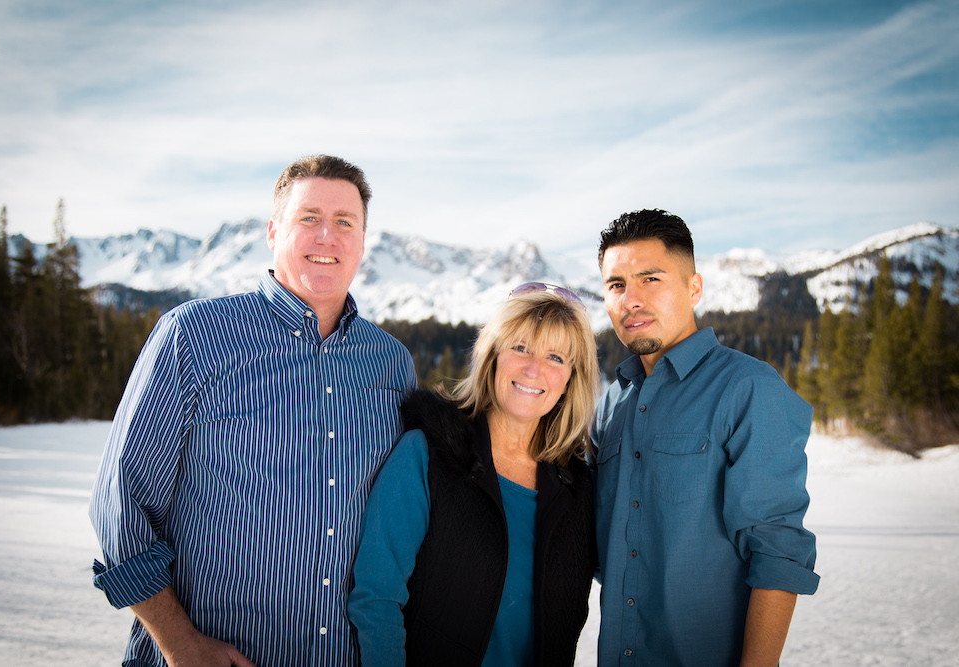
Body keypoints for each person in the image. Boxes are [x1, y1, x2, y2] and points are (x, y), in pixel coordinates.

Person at [89, 154, 417, 667]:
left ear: (362, 241)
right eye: (308, 218)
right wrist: (181, 645)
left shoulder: (391, 365)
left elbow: (401, 528)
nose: (327, 237)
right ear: (272, 231)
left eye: (344, 222)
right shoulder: (195, 337)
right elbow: (119, 509)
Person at [592, 209, 820, 666]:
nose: (630, 299)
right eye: (617, 285)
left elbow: (776, 550)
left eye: (650, 279)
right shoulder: (610, 403)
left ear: (693, 288)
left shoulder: (748, 388)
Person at [347, 283, 600, 666]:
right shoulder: (428, 454)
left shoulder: (577, 489)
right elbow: (377, 596)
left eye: (555, 357)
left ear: (570, 378)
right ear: (493, 354)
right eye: (520, 348)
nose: (534, 369)